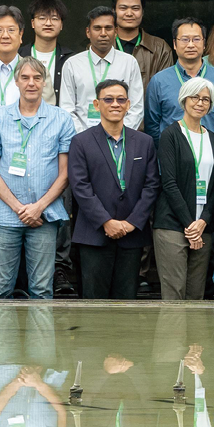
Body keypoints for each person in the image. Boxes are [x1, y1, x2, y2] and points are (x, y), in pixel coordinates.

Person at [0, 58, 75, 300]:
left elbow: (65, 172)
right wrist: (20, 209)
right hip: (5, 216)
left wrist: (38, 207)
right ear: (16, 81)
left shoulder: (61, 119)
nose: (31, 83)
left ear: (44, 82)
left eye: (37, 78)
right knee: (1, 290)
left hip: (45, 216)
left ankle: (40, 329)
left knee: (42, 291)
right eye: (25, 77)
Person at [67, 79, 156, 300]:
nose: (115, 104)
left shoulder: (144, 142)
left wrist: (131, 222)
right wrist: (106, 221)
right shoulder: (81, 141)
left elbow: (152, 185)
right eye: (108, 99)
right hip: (94, 234)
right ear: (97, 105)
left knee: (126, 304)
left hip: (131, 235)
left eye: (121, 99)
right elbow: (80, 186)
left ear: (128, 104)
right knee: (93, 303)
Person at [154, 77, 214, 301]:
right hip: (173, 225)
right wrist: (190, 225)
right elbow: (169, 183)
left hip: (203, 228)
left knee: (196, 297)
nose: (200, 103)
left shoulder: (213, 139)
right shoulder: (170, 135)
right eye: (195, 97)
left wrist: (203, 222)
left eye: (206, 99)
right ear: (184, 99)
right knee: (174, 295)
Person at [145, 18, 214, 139]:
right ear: (175, 44)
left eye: (196, 39)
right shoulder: (159, 81)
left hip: (210, 149)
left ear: (204, 43)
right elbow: (152, 126)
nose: (191, 45)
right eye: (185, 39)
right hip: (173, 149)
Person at [61, 5, 146, 133]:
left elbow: (136, 108)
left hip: (120, 138)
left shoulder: (129, 63)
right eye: (97, 28)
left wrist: (117, 134)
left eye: (108, 28)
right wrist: (85, 137)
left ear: (116, 32)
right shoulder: (72, 64)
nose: (103, 34)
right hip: (83, 138)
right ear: (88, 32)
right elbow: (67, 108)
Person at [107, 0, 174, 79]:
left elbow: (165, 85)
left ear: (142, 12)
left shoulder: (160, 48)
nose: (129, 13)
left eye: (135, 8)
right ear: (113, 11)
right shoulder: (101, 46)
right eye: (123, 8)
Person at [23, 0, 70, 106]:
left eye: (54, 18)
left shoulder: (70, 59)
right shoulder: (20, 55)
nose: (48, 23)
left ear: (61, 25)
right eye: (42, 18)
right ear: (33, 23)